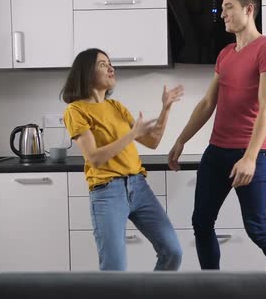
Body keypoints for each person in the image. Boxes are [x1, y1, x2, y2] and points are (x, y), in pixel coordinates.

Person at [167, 0, 266, 284]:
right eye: (223, 8)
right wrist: (180, 140)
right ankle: (212, 285)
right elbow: (206, 103)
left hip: (249, 152)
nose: (223, 14)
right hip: (216, 152)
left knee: (256, 228)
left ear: (249, 9)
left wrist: (250, 158)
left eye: (229, 7)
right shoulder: (226, 53)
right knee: (201, 222)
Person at [61, 48, 184, 271]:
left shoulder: (116, 107)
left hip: (138, 186)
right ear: (86, 72)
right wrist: (132, 135)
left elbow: (153, 141)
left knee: (172, 251)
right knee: (114, 269)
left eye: (110, 63)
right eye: (102, 64)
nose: (111, 68)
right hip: (108, 192)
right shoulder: (75, 110)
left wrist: (165, 108)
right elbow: (94, 158)